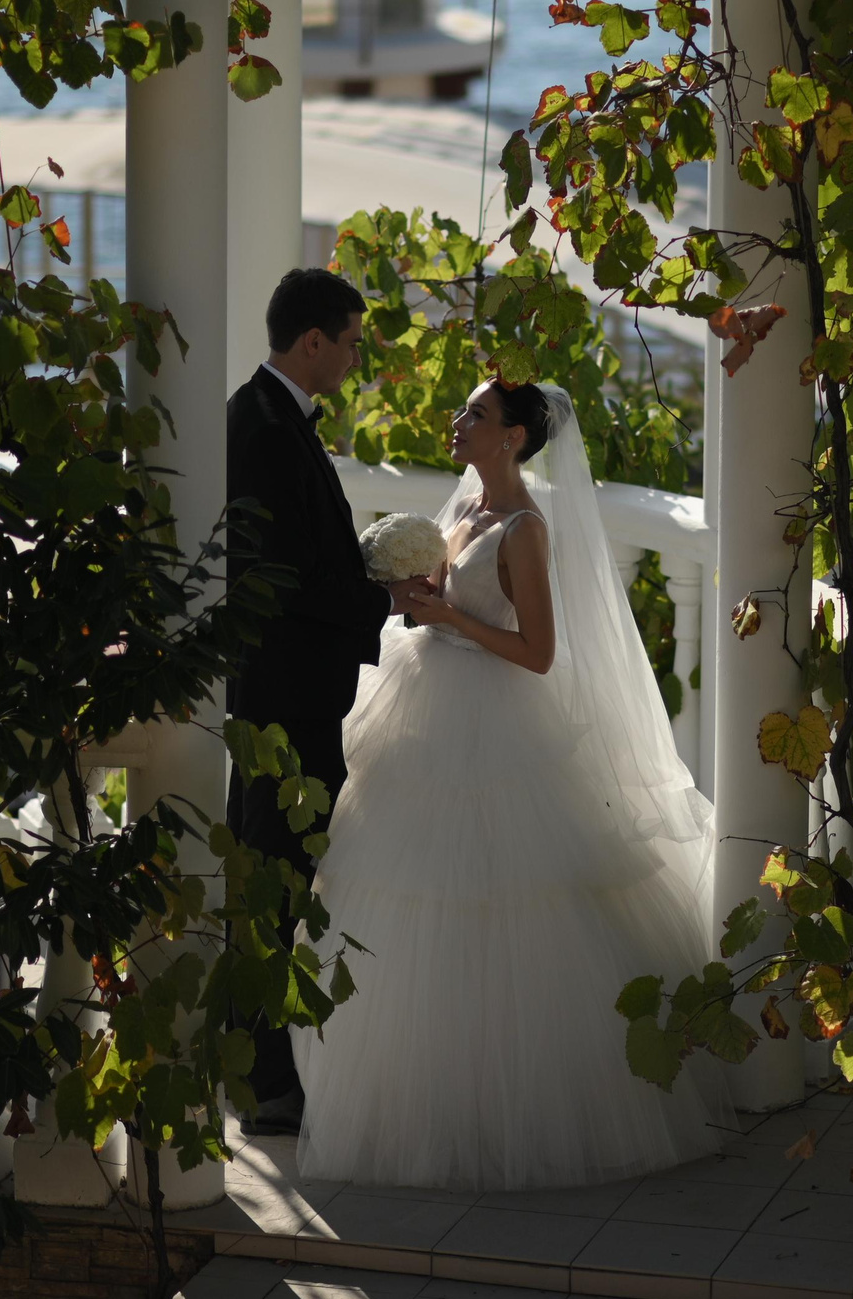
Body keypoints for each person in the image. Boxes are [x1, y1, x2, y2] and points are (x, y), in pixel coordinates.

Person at [294, 378, 729, 1189]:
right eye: (462, 409)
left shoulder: (526, 528)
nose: (457, 422)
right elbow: (446, 601)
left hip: (495, 721)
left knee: (505, 903)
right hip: (429, 709)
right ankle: (429, 1099)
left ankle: (514, 1108)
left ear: (516, 438)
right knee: (413, 896)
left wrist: (450, 619)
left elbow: (538, 653)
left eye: (476, 415)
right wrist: (417, 601)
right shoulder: (459, 516)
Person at [225, 268, 428, 1135]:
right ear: (313, 341)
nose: (353, 359)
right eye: (349, 342)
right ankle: (267, 1081)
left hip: (288, 690)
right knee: (271, 881)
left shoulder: (269, 417)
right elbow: (287, 576)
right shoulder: (264, 427)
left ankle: (260, 1061)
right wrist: (387, 602)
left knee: (273, 874)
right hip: (281, 694)